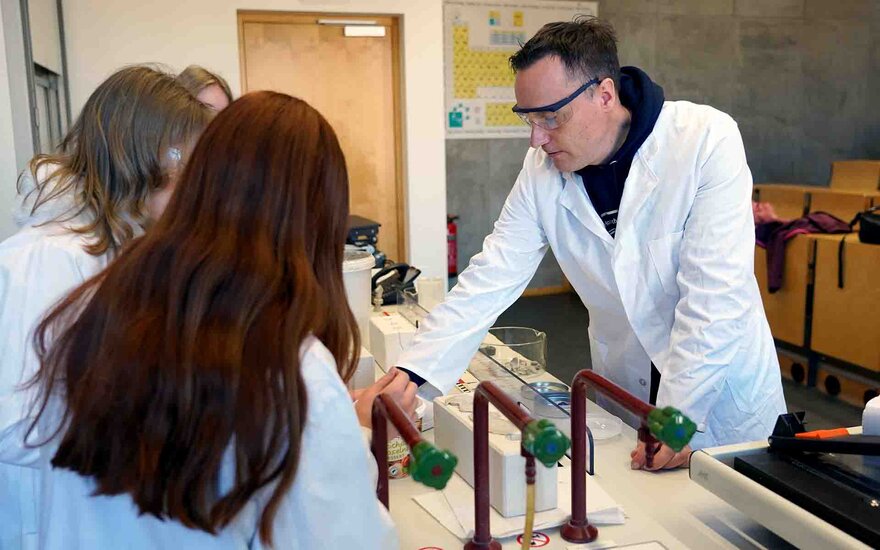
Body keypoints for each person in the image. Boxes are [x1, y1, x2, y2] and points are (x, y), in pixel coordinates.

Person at [0, 91, 398, 548]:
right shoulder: (286, 364)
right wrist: (358, 429)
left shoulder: (99, 303)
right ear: (317, 218)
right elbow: (344, 538)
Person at [396, 17, 785, 469]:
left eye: (550, 117)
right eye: (528, 118)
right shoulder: (542, 171)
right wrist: (412, 372)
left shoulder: (703, 140)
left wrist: (681, 418)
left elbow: (715, 298)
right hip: (624, 390)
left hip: (718, 400)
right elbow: (492, 274)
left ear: (603, 94)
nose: (536, 138)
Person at [0, 65, 211, 550]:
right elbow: (16, 425)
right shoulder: (47, 256)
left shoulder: (113, 246)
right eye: (187, 170)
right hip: (49, 523)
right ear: (141, 160)